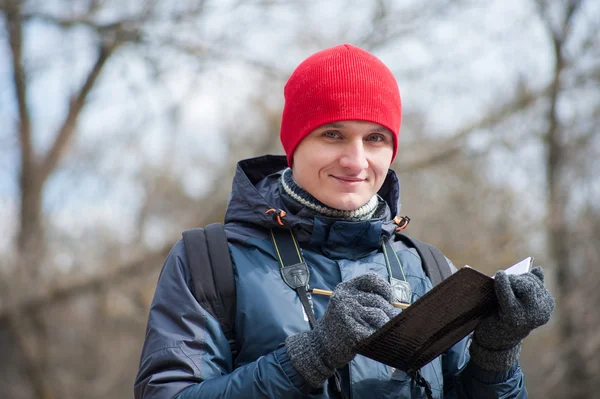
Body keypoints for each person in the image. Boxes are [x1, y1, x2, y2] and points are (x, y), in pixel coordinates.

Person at [134, 44, 554, 399]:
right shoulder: (209, 260)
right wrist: (307, 357)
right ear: (294, 144)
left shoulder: (429, 268)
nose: (355, 161)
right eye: (332, 134)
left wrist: (495, 354)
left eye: (375, 138)